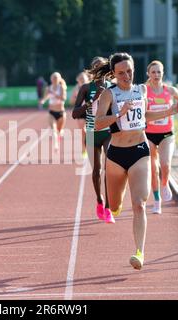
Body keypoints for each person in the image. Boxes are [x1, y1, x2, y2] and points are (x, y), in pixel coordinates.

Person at [95, 53, 178, 270]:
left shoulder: (141, 90)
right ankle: (116, 202)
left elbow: (145, 117)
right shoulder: (109, 94)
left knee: (139, 204)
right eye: (121, 73)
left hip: (140, 151)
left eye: (129, 71)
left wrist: (170, 110)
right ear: (113, 74)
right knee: (115, 206)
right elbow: (97, 124)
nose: (126, 76)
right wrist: (118, 115)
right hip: (116, 154)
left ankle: (140, 253)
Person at [145, 60, 178, 214]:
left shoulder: (170, 90)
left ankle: (165, 184)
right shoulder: (145, 91)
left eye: (159, 72)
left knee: (165, 164)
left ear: (163, 73)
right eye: (153, 72)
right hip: (149, 134)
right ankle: (157, 200)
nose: (156, 75)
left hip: (166, 134)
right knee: (153, 168)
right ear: (148, 74)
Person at [72, 57, 114, 224]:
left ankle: (109, 208)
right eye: (96, 68)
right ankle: (99, 200)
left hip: (108, 131)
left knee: (109, 169)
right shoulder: (85, 88)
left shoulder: (113, 87)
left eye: (102, 67)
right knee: (96, 170)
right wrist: (93, 99)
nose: (99, 71)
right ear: (92, 70)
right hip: (91, 132)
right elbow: (75, 113)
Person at [40, 72, 67, 150]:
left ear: (59, 79)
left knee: (59, 131)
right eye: (53, 78)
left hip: (61, 112)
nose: (54, 79)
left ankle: (60, 132)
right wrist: (43, 101)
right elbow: (45, 97)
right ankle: (56, 145)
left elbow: (63, 98)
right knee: (53, 130)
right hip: (51, 112)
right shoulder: (48, 88)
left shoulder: (61, 87)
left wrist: (54, 94)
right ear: (51, 79)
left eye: (56, 78)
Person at [70, 71, 90, 159]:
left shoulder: (91, 86)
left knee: (92, 131)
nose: (82, 80)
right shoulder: (76, 88)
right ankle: (84, 149)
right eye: (80, 79)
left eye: (83, 78)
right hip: (81, 112)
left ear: (87, 78)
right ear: (78, 80)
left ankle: (94, 148)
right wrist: (76, 98)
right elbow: (71, 102)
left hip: (90, 111)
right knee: (83, 131)